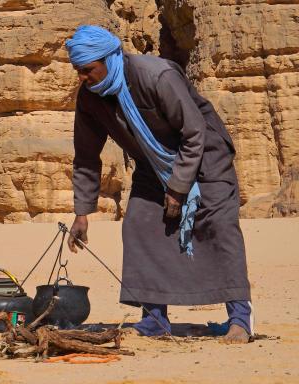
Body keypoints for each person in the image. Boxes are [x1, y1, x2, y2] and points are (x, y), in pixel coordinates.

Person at [64, 26, 253, 344]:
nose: (82, 77)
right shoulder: (90, 98)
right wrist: (82, 213)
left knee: (220, 227)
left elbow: (194, 132)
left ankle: (240, 320)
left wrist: (178, 190)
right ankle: (154, 320)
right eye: (78, 71)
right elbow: (85, 157)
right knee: (139, 224)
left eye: (87, 70)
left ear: (109, 59)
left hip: (206, 157)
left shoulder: (157, 75)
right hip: (153, 168)